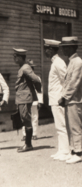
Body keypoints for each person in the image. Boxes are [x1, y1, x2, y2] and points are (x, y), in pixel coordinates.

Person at [44, 39, 70, 161]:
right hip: (55, 99)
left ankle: (65, 151)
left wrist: (63, 97)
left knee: (62, 126)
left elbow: (66, 80)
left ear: (52, 50)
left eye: (47, 49)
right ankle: (61, 150)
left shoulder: (58, 62)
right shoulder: (55, 62)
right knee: (59, 126)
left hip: (58, 99)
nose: (45, 51)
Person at [58, 36, 82, 164]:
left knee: (75, 127)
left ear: (73, 48)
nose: (63, 51)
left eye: (66, 48)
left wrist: (64, 97)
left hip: (75, 100)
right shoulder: (72, 61)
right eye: (63, 48)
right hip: (70, 100)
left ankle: (78, 152)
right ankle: (73, 151)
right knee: (69, 126)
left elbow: (74, 83)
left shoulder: (77, 62)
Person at [13, 48, 41, 152]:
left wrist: (37, 91)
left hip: (25, 98)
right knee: (24, 119)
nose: (14, 59)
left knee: (26, 119)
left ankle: (28, 145)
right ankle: (27, 144)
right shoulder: (22, 67)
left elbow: (36, 79)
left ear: (20, 58)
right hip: (22, 97)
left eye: (15, 57)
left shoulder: (25, 68)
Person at [22, 59, 43, 141]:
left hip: (34, 101)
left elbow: (40, 90)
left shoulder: (37, 78)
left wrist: (40, 101)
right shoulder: (23, 78)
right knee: (24, 117)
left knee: (34, 117)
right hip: (25, 100)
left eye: (32, 68)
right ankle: (24, 134)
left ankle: (34, 134)